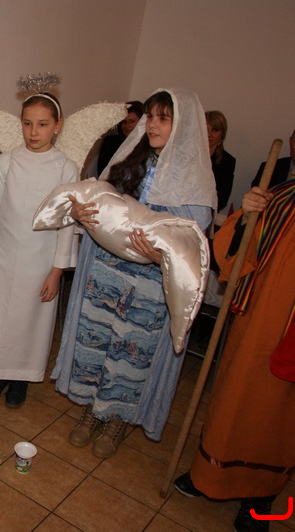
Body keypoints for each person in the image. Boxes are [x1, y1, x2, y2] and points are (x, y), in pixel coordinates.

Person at [51, 88, 216, 458]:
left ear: (183, 125)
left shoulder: (195, 180)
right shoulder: (129, 160)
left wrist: (162, 257)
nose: (152, 125)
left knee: (131, 350)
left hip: (150, 285)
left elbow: (193, 240)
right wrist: (80, 213)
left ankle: (117, 418)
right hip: (107, 271)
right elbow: (100, 200)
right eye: (151, 117)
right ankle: (90, 409)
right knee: (97, 339)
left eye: (163, 118)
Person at [174, 182, 295, 531]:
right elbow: (236, 253)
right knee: (232, 400)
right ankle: (207, 475)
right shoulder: (283, 196)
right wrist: (247, 218)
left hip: (290, 331)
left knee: (277, 417)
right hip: (256, 323)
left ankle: (261, 496)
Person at [0, 92, 78, 408]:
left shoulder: (66, 169)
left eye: (42, 124)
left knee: (32, 319)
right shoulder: (7, 162)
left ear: (58, 125)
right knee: (1, 316)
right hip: (4, 254)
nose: (33, 132)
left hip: (41, 259)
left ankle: (21, 377)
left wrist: (57, 270)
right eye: (27, 124)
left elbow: (67, 224)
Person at [97, 101, 143, 176]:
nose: (127, 126)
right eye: (124, 122)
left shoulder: (148, 144)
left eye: (132, 121)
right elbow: (103, 172)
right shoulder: (110, 142)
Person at [205, 110, 236, 212]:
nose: (209, 134)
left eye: (215, 130)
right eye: (205, 129)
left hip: (208, 213)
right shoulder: (186, 156)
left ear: (222, 134)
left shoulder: (228, 161)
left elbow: (222, 199)